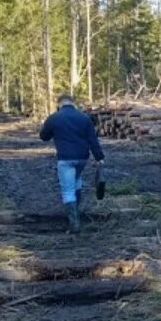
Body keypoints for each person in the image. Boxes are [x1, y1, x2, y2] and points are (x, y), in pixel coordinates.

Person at [39, 94, 104, 233]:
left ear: (59, 105)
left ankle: (74, 223)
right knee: (77, 181)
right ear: (73, 104)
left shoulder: (54, 118)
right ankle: (76, 212)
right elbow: (93, 140)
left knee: (68, 190)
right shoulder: (84, 118)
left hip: (65, 159)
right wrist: (99, 157)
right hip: (82, 158)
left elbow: (43, 137)